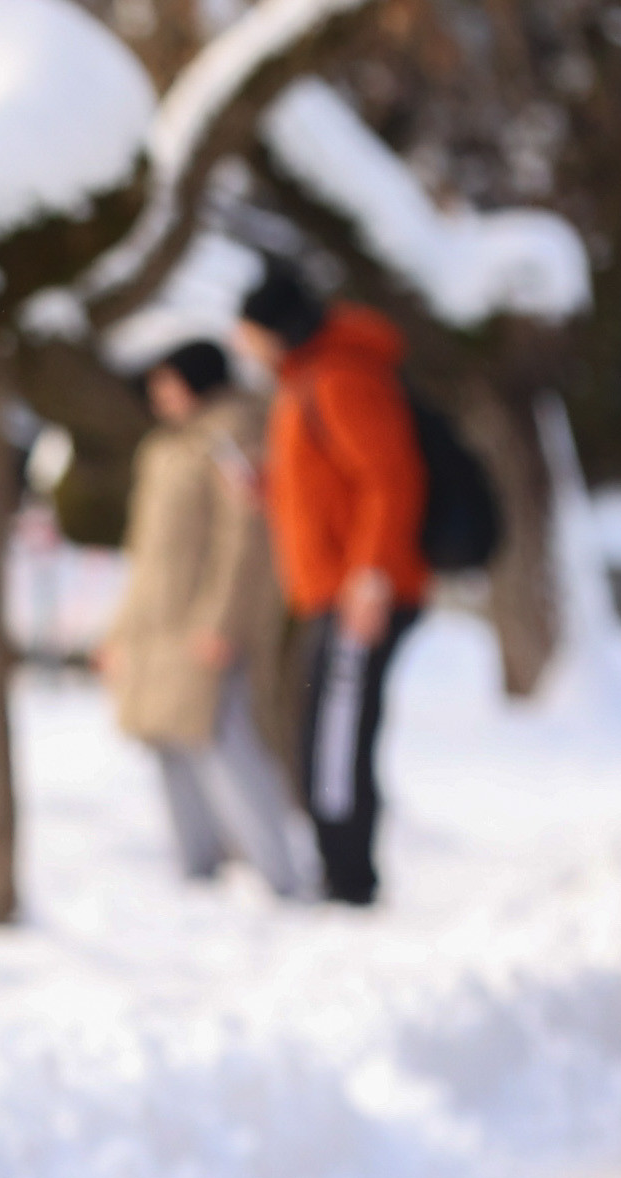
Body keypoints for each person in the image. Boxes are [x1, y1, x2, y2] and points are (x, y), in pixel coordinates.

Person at [235, 261, 426, 909]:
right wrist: (265, 488)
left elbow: (389, 478)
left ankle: (349, 885)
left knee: (335, 735)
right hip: (330, 589)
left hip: (361, 593)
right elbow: (326, 487)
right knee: (319, 728)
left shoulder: (339, 378)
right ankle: (337, 874)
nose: (244, 347)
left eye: (249, 332)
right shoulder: (303, 382)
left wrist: (369, 577)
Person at [100, 341, 310, 899]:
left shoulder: (232, 439)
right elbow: (143, 552)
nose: (158, 396)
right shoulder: (164, 448)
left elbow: (244, 540)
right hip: (157, 625)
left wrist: (223, 621)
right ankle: (196, 872)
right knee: (168, 742)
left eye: (169, 383)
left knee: (224, 741)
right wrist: (119, 631)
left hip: (200, 623)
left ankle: (278, 875)